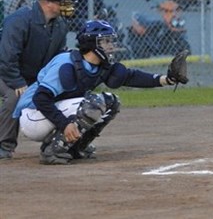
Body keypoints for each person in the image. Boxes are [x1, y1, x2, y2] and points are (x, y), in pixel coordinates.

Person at [11, 20, 188, 165]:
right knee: (94, 102)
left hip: (50, 114)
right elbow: (40, 98)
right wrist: (65, 124)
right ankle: (53, 150)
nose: (111, 45)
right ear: (92, 43)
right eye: (106, 41)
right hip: (32, 116)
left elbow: (131, 77)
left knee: (111, 101)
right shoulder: (66, 63)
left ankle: (76, 145)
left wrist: (167, 79)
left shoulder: (101, 66)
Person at [0, 0, 75, 160]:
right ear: (48, 2)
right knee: (14, 98)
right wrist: (17, 82)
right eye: (63, 0)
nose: (68, 4)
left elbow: (57, 58)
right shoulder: (19, 20)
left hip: (32, 74)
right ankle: (4, 146)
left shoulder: (60, 24)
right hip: (6, 71)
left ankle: (56, 143)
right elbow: (7, 57)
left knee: (59, 94)